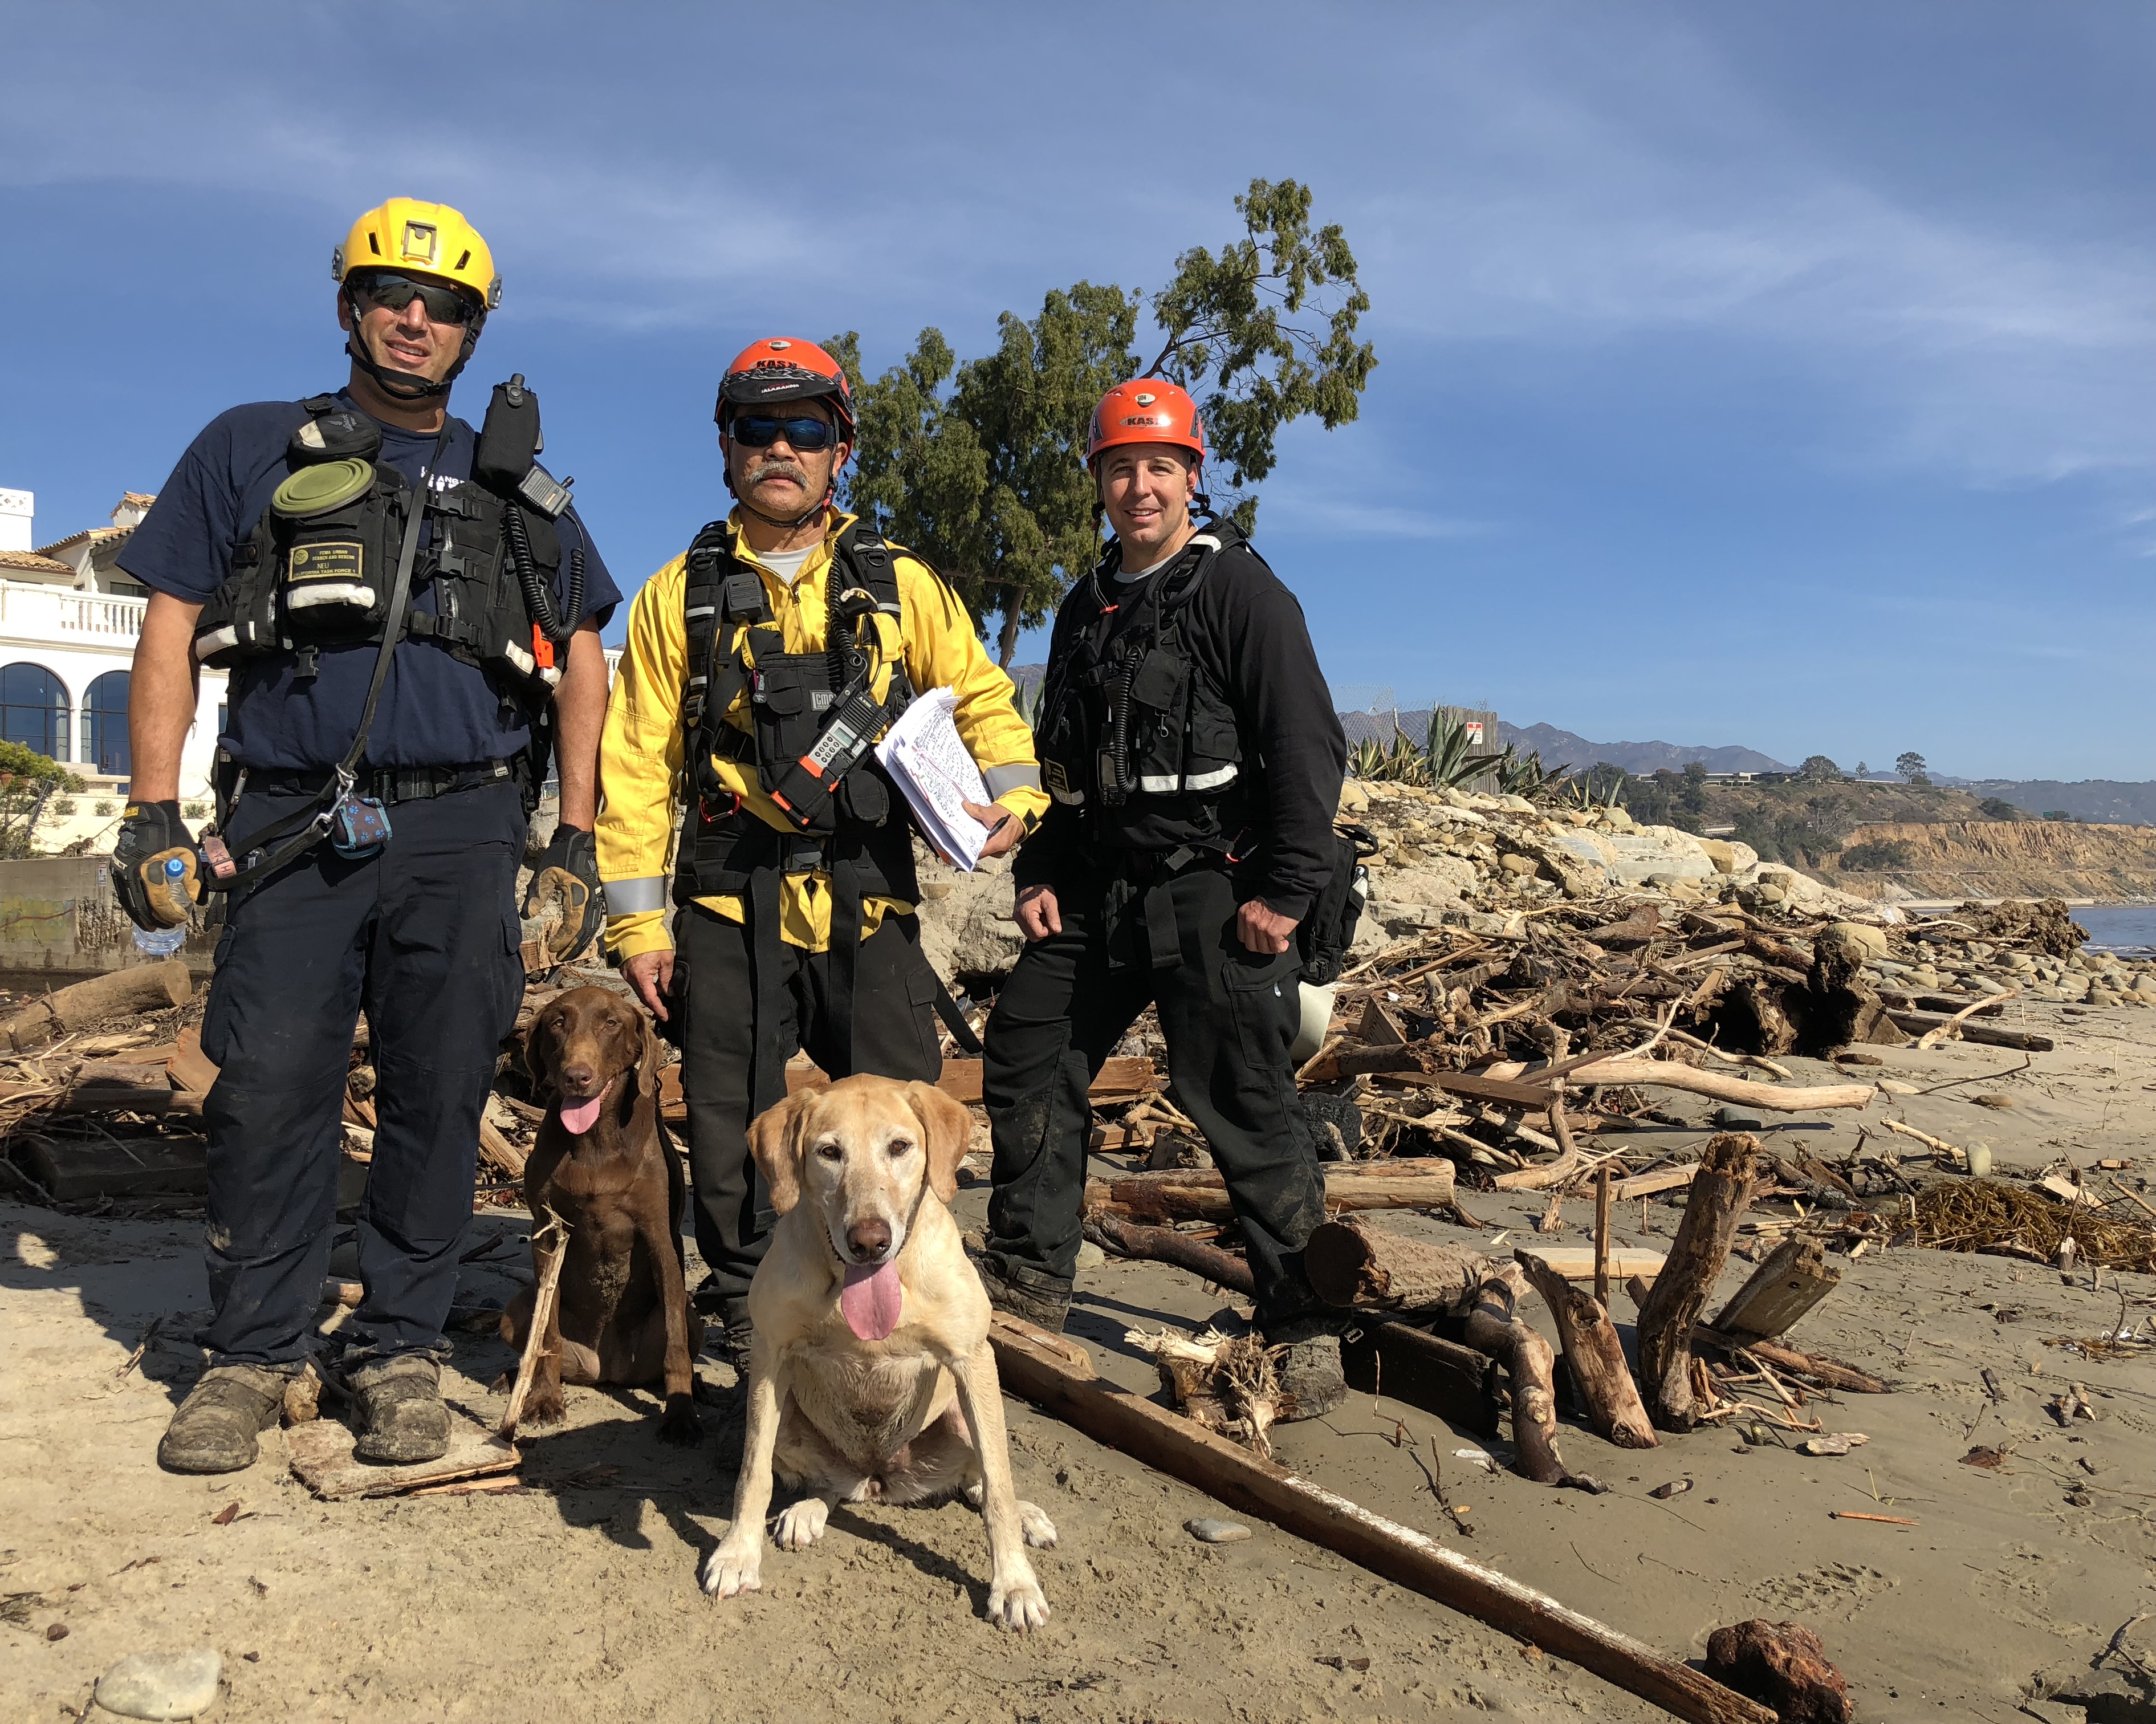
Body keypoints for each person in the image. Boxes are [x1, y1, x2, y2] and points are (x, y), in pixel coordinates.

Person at [115, 197, 621, 1473]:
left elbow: (580, 658)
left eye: (444, 305)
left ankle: (398, 1346)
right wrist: (149, 806)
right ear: (349, 308)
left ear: (470, 332)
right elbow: (168, 624)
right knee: (271, 1088)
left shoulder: (524, 497)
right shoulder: (246, 450)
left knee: (441, 1095)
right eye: (393, 294)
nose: (416, 318)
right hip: (291, 823)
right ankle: (254, 1352)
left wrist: (572, 841)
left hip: (464, 828)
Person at [597, 337, 1044, 1356]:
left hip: (869, 897)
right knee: (732, 1130)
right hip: (727, 903)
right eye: (759, 429)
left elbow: (980, 694)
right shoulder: (679, 596)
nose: (782, 449)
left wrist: (1018, 790)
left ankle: (906, 1310)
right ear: (727, 445)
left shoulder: (901, 586)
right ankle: (760, 1327)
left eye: (807, 428)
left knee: (902, 1123)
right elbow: (636, 761)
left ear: (841, 447)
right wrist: (637, 925)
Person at [974, 377, 1350, 1417]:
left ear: (1192, 475)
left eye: (1160, 467)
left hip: (1216, 891)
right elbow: (1055, 764)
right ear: (1099, 478)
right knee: (1029, 1050)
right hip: (1095, 885)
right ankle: (1028, 1279)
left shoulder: (1243, 595)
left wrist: (1284, 890)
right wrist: (1040, 870)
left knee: (1239, 1097)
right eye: (1121, 468)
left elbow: (1308, 750)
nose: (1140, 487)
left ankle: (1303, 1321)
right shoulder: (1084, 606)